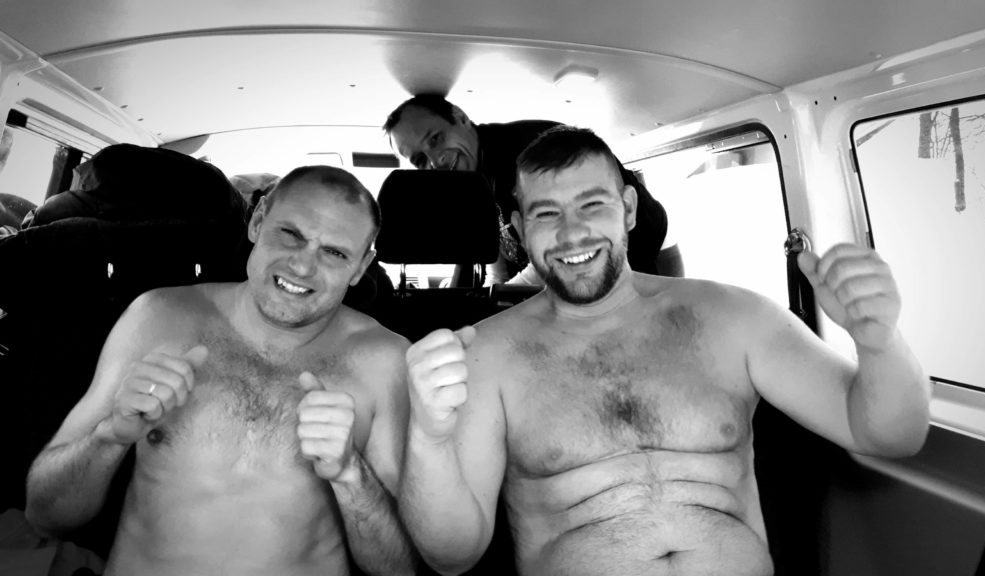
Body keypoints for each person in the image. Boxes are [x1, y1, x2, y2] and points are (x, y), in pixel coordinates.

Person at [400, 127, 931, 576]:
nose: (572, 232)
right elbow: (452, 557)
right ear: (520, 229)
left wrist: (878, 341)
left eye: (592, 204)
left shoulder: (733, 316)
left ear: (628, 209)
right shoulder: (484, 355)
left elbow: (889, 435)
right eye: (546, 214)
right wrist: (428, 436)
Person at [25, 165, 417, 576]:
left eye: (334, 253)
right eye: (291, 234)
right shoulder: (158, 317)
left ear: (361, 267)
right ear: (258, 221)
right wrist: (109, 436)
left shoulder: (384, 361)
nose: (302, 266)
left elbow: (400, 568)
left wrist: (350, 474)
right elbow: (45, 515)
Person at [383, 94, 683, 283]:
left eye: (436, 139)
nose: (436, 161)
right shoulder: (465, 184)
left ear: (460, 117)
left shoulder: (534, 150)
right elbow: (478, 251)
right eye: (420, 159)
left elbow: (571, 239)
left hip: (635, 268)